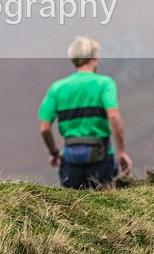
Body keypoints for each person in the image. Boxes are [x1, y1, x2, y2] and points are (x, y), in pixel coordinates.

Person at [38, 37, 132, 189]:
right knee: (107, 206)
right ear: (94, 57)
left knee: (72, 208)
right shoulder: (104, 83)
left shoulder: (57, 88)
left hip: (70, 159)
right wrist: (122, 152)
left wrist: (54, 153)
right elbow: (113, 116)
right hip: (101, 158)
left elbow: (44, 128)